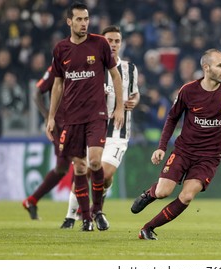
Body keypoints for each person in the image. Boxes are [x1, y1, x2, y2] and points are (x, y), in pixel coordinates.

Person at [131, 49, 221, 240]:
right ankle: (150, 194)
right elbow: (172, 118)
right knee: (163, 192)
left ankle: (147, 228)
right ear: (206, 67)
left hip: (209, 158)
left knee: (187, 196)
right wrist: (162, 147)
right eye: (219, 65)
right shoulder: (188, 91)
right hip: (183, 151)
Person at [46, 2, 124, 231]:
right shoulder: (61, 49)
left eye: (86, 19)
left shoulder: (99, 43)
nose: (84, 23)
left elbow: (115, 76)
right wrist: (51, 117)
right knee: (79, 168)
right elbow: (58, 84)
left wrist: (119, 107)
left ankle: (97, 210)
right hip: (71, 117)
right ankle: (87, 219)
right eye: (79, 19)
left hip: (96, 114)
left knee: (95, 161)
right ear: (69, 22)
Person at [60, 25, 140, 229]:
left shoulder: (129, 69)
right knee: (83, 170)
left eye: (116, 41)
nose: (113, 45)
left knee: (104, 174)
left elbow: (135, 93)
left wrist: (131, 103)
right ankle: (71, 217)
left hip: (117, 131)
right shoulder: (90, 66)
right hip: (90, 127)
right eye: (109, 41)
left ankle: (96, 209)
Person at [22, 65, 71, 220]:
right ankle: (84, 212)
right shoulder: (55, 68)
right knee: (77, 162)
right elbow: (37, 93)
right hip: (60, 126)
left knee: (63, 167)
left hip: (78, 122)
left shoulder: (84, 62)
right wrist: (47, 115)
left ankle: (32, 200)